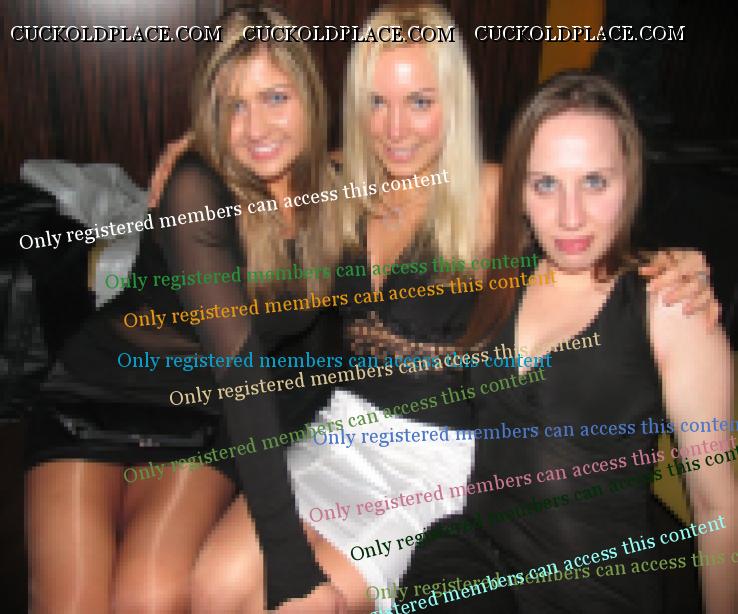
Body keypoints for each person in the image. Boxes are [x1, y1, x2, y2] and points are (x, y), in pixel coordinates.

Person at [155, 4, 720, 614]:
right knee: (212, 586)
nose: (396, 129)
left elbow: (585, 215)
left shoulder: (498, 196)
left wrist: (673, 261)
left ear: (453, 101)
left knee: (305, 604)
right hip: (338, 432)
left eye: (420, 102)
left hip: (433, 464)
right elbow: (263, 144)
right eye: (377, 103)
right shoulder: (340, 188)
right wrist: (198, 148)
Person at [25, 5, 356, 613]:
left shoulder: (336, 197)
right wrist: (289, 563)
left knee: (151, 600)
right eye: (233, 106)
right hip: (97, 390)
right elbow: (242, 372)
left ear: (310, 96)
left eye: (275, 97)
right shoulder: (196, 188)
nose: (255, 127)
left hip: (198, 418)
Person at [404, 72, 736, 614]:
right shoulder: (502, 274)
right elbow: (396, 172)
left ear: (630, 180)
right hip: (474, 563)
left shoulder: (670, 308)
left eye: (595, 182)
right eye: (546, 184)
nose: (570, 216)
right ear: (519, 189)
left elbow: (716, 505)